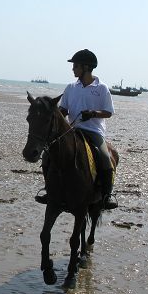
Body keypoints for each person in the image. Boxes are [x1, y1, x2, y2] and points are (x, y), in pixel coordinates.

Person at [39, 49, 118, 209]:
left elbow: (108, 112)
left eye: (75, 65)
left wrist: (93, 113)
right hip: (72, 130)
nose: (73, 68)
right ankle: (50, 191)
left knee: (104, 158)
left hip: (94, 132)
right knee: (47, 155)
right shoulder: (70, 88)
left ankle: (107, 196)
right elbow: (64, 110)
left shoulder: (102, 88)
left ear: (86, 67)